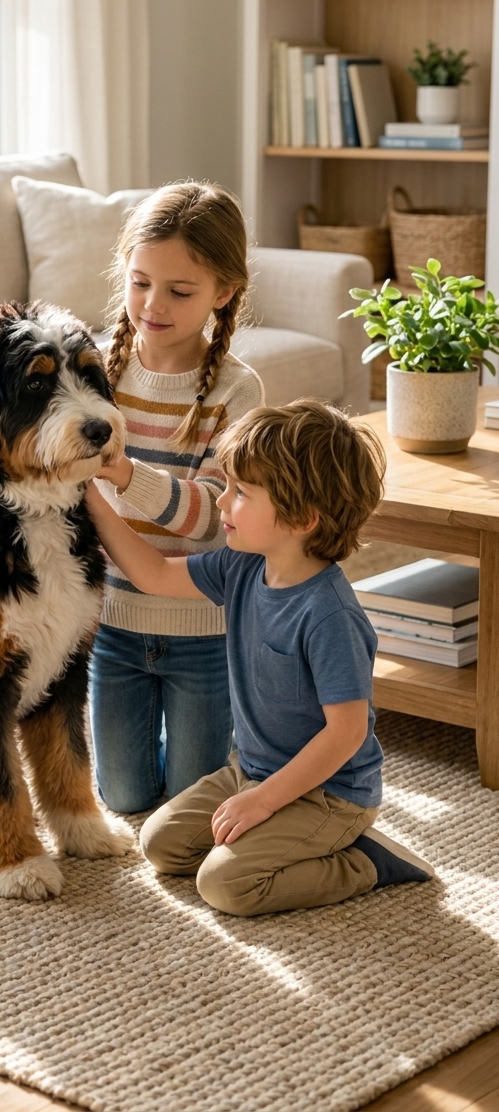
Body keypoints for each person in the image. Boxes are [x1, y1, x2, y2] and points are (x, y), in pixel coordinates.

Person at [85, 399, 435, 917]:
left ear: (302, 518)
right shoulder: (242, 566)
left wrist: (265, 801)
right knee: (160, 844)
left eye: (240, 492)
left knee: (227, 885)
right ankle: (274, 828)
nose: (222, 503)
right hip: (250, 770)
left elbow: (347, 733)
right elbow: (154, 576)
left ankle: (366, 862)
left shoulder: (329, 616)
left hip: (331, 794)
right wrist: (91, 497)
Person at [89, 182, 264, 814]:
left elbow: (213, 525)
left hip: (201, 634)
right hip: (113, 623)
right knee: (126, 799)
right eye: (139, 282)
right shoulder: (93, 370)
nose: (151, 304)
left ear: (223, 292)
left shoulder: (237, 394)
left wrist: (122, 473)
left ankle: (244, 751)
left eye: (179, 291)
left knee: (187, 808)